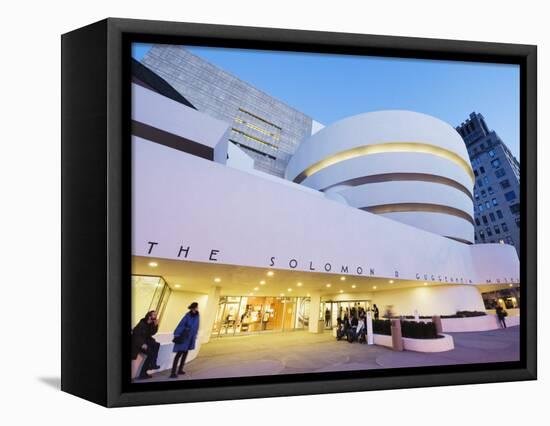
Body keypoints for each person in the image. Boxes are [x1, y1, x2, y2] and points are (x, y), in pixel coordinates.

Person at [170, 302, 200, 378]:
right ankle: (173, 372)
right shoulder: (187, 316)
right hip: (184, 337)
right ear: (193, 308)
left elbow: (197, 326)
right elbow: (181, 324)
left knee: (185, 354)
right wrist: (177, 334)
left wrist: (195, 335)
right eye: (196, 307)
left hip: (190, 338)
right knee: (179, 354)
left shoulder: (197, 316)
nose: (197, 308)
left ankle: (180, 370)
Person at [131, 310, 160, 380]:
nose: (156, 316)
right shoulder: (142, 324)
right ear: (149, 316)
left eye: (156, 315)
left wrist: (156, 326)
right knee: (150, 353)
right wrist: (142, 344)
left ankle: (152, 364)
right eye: (154, 315)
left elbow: (152, 333)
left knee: (157, 345)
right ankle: (143, 373)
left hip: (144, 341)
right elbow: (135, 335)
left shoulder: (150, 324)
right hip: (137, 343)